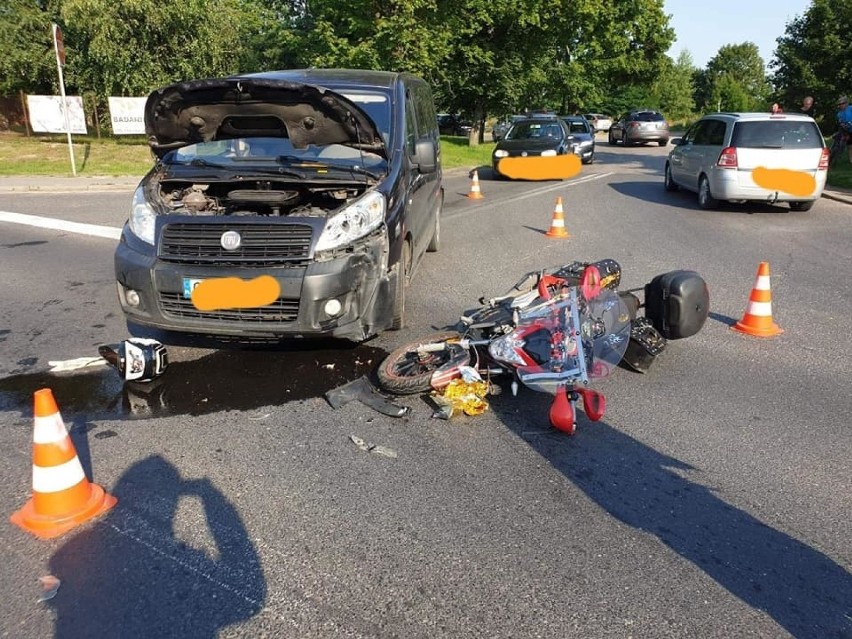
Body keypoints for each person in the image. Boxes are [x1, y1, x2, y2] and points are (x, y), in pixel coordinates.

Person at [836, 96, 852, 163]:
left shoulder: (851, 108)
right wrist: (843, 125)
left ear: (847, 103)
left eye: (842, 103)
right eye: (839, 104)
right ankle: (851, 160)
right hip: (848, 131)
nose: (841, 105)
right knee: (850, 146)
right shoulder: (839, 114)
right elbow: (840, 122)